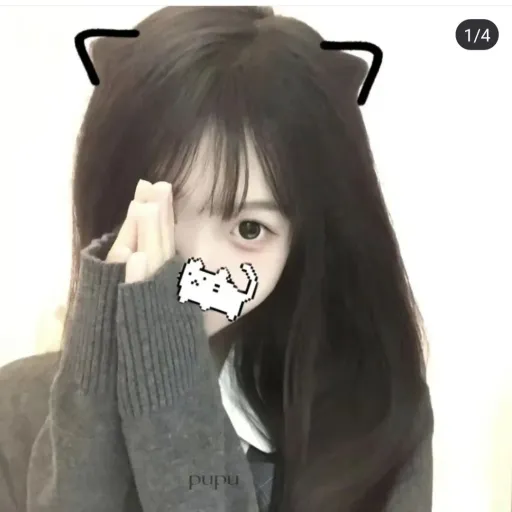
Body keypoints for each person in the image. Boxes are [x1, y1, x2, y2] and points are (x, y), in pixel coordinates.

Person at [0, 6, 434, 512]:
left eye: (249, 229)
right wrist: (97, 399)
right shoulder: (15, 407)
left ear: (307, 239)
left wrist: (170, 389)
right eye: (162, 212)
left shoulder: (377, 422)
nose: (196, 266)